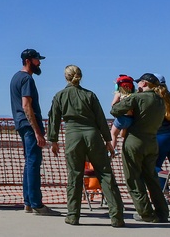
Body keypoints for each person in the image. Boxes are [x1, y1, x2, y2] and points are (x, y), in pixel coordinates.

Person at [46, 65, 125, 227]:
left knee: (75, 175)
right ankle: (116, 216)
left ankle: (73, 215)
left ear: (66, 77)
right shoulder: (90, 95)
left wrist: (53, 140)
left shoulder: (60, 96)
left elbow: (53, 118)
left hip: (73, 136)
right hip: (93, 135)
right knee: (105, 174)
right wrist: (108, 141)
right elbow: (101, 119)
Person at [111, 73, 169, 223]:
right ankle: (162, 212)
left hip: (135, 142)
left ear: (143, 83)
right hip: (152, 142)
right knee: (152, 179)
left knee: (133, 179)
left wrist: (118, 97)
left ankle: (146, 213)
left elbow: (115, 110)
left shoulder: (137, 98)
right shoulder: (161, 101)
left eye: (139, 83)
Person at [9, 49, 58, 215]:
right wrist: (37, 131)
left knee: (29, 162)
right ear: (28, 60)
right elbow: (26, 106)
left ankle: (28, 202)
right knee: (34, 163)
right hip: (30, 127)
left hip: (22, 125)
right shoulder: (26, 79)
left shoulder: (16, 78)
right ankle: (37, 204)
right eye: (37, 60)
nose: (40, 63)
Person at [110, 75, 136, 151]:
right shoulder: (133, 96)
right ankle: (126, 150)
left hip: (121, 118)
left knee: (113, 134)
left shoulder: (118, 94)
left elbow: (113, 105)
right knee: (123, 135)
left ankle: (112, 150)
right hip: (131, 119)